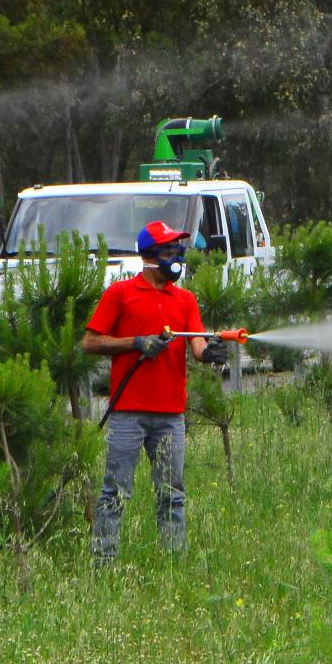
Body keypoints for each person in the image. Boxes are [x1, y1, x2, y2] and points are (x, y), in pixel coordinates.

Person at [80, 220, 231, 562]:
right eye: (168, 251)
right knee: (115, 492)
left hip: (171, 414)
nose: (176, 257)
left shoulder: (185, 300)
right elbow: (89, 342)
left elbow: (196, 344)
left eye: (178, 250)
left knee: (172, 494)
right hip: (128, 413)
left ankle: (174, 562)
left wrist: (210, 353)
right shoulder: (120, 293)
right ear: (148, 257)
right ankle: (104, 562)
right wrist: (135, 343)